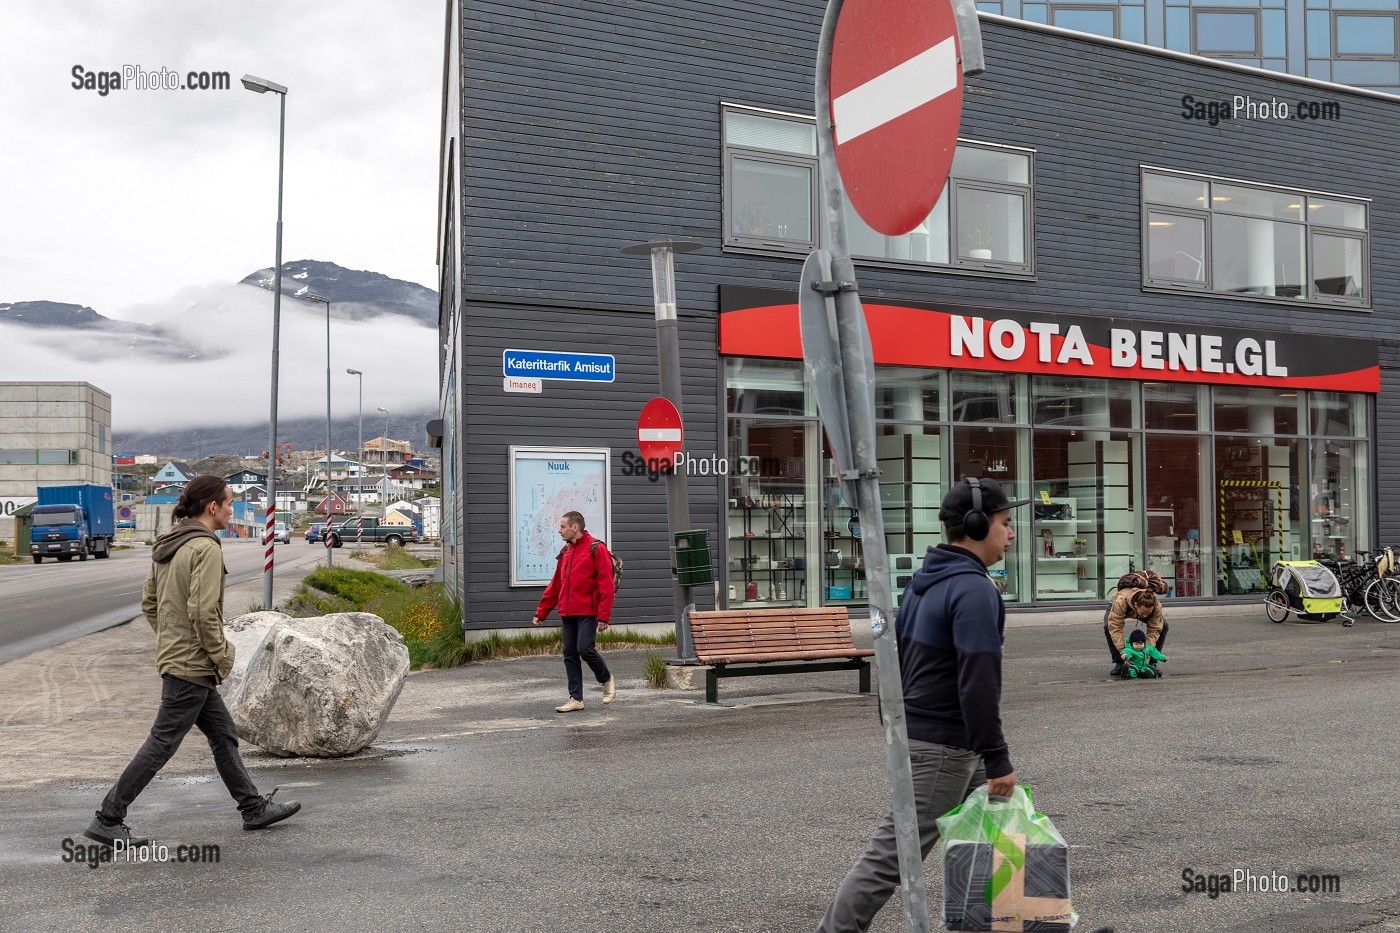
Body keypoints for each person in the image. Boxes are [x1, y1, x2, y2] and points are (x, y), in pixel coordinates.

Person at [818, 476, 1028, 933]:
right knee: (892, 856)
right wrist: (998, 758)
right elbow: (977, 684)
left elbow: (897, 662)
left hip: (935, 738)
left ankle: (1007, 924)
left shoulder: (922, 582)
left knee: (998, 839)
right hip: (945, 745)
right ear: (976, 526)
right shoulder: (973, 590)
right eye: (1005, 523)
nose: (1011, 533)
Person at [84, 475, 301, 849]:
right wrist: (222, 654)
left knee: (222, 734)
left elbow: (150, 605)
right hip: (193, 663)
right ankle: (108, 817)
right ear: (212, 507)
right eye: (229, 503)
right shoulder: (205, 548)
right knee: (163, 742)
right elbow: (203, 612)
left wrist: (174, 639)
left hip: (180, 657)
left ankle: (253, 808)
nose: (232, 510)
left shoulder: (169, 544)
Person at [532, 511, 617, 712]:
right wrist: (541, 612)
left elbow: (606, 584)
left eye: (562, 527)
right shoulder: (566, 552)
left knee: (584, 649)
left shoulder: (597, 548)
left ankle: (606, 678)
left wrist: (604, 615)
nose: (559, 531)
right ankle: (575, 698)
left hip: (588, 610)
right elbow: (555, 585)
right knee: (569, 653)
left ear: (575, 527)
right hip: (567, 611)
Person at [1104, 574, 1168, 677]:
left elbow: (1155, 629)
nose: (1145, 616)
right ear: (1135, 605)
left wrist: (1148, 653)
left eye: (1148, 613)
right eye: (1143, 613)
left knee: (1163, 626)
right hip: (1118, 604)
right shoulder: (1121, 601)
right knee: (1108, 627)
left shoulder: (1156, 606)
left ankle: (1151, 662)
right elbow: (1115, 628)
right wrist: (1123, 652)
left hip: (1141, 607)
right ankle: (1119, 663)